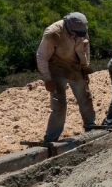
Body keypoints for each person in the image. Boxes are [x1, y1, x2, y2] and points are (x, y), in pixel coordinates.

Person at [36, 12, 96, 143]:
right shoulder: (52, 33)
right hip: (56, 69)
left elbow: (86, 48)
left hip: (75, 67)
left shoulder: (81, 29)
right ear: (69, 27)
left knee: (86, 98)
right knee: (59, 105)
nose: (81, 35)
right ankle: (51, 139)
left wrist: (85, 68)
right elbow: (41, 56)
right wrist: (47, 79)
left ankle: (91, 129)